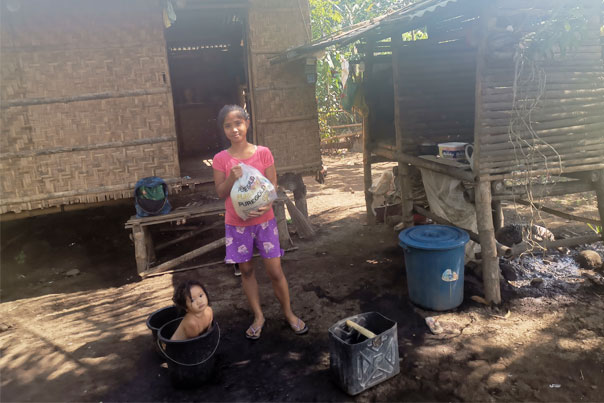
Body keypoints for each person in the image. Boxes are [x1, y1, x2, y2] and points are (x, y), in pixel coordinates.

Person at [212, 104, 308, 340]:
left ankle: (288, 313)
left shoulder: (263, 153)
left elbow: (272, 186)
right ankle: (259, 316)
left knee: (275, 271)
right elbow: (220, 193)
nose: (234, 129)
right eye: (228, 125)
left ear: (247, 124)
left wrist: (268, 203)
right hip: (237, 224)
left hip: (265, 222)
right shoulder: (220, 159)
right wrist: (231, 179)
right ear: (223, 130)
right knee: (246, 270)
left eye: (238, 123)